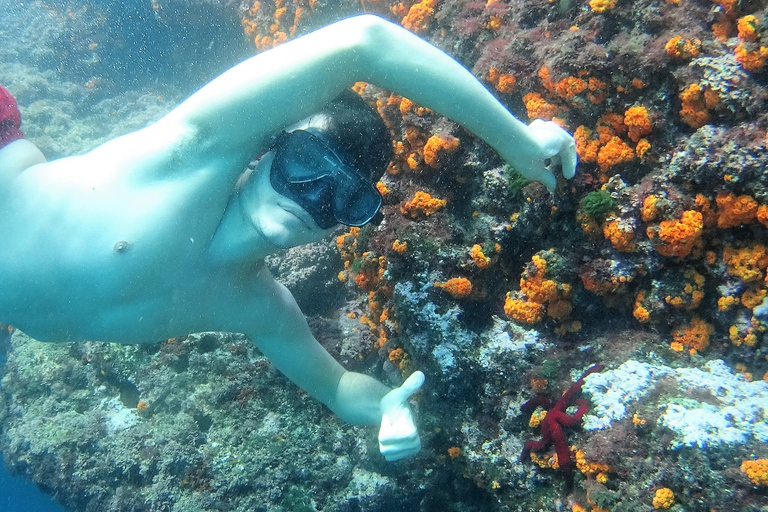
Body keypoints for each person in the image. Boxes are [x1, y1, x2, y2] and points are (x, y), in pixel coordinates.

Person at [0, 14, 576, 461]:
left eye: (347, 199)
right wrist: (517, 144)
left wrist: (385, 408)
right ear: (263, 148)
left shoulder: (257, 306)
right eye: (306, 165)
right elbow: (364, 41)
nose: (315, 202)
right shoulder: (185, 153)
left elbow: (339, 386)